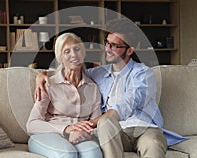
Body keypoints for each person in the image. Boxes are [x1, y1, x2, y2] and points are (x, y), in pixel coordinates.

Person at [35, 18, 187, 158]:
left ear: (129, 50)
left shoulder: (144, 74)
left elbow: (127, 105)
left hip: (144, 130)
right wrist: (43, 74)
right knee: (106, 123)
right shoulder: (98, 73)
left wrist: (90, 123)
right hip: (114, 132)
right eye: (107, 43)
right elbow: (72, 70)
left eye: (115, 45)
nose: (107, 48)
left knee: (151, 143)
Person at [26, 32, 103, 158]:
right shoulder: (48, 83)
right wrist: (67, 129)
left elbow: (96, 124)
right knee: (68, 154)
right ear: (60, 58)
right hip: (48, 135)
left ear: (83, 53)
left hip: (79, 136)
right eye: (67, 51)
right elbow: (32, 124)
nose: (74, 55)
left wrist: (86, 132)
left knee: (93, 153)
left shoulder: (93, 88)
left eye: (77, 49)